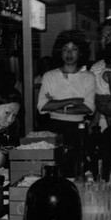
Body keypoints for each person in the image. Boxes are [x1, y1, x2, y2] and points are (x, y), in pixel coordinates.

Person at [37, 29, 95, 177]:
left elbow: (88, 108)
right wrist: (72, 101)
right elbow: (42, 107)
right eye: (65, 49)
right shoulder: (49, 76)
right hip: (53, 128)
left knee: (76, 170)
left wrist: (56, 105)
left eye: (74, 49)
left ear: (80, 52)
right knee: (54, 170)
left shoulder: (88, 77)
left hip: (78, 130)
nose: (69, 54)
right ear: (59, 52)